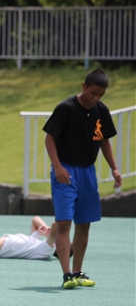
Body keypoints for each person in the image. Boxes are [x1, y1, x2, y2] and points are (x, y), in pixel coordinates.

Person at [43, 69, 121, 289]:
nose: (95, 98)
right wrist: (57, 166)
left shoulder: (101, 111)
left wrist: (114, 168)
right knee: (64, 222)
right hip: (66, 171)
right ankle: (67, 274)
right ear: (84, 86)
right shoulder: (66, 108)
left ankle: (78, 271)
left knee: (84, 224)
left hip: (88, 171)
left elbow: (104, 140)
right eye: (93, 93)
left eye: (100, 95)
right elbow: (50, 139)